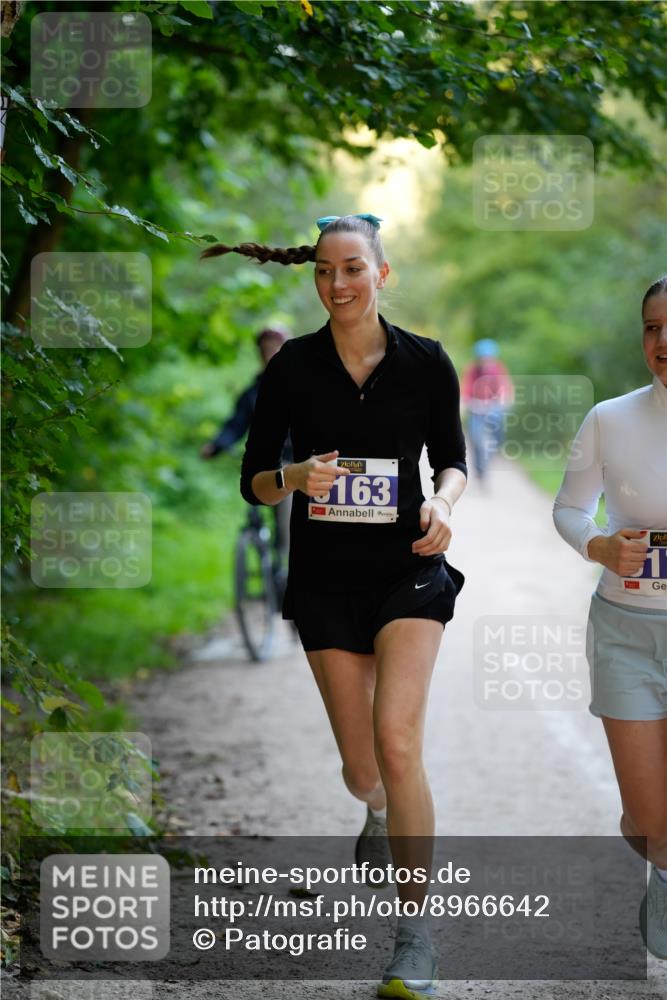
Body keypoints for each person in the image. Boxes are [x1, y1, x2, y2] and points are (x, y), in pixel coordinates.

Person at [201, 213, 467, 999]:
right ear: (312, 277)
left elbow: (451, 460)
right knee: (362, 769)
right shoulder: (291, 371)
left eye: (352, 268)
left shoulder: (426, 362)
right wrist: (293, 479)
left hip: (406, 570)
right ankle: (376, 807)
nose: (337, 284)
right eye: (324, 271)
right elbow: (253, 477)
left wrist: (444, 506)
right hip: (323, 580)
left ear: (381, 274)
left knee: (397, 738)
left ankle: (415, 935)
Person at [553, 276, 667, 960]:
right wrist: (597, 544)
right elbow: (567, 508)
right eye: (651, 327)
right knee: (650, 819)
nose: (662, 341)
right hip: (625, 630)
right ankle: (658, 855)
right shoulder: (609, 417)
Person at [201, 327, 293, 592]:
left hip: (294, 463)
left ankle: (289, 568)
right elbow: (236, 425)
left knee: (287, 512)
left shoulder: (304, 385)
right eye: (265, 348)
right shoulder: (252, 393)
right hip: (263, 464)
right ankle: (277, 566)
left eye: (275, 346)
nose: (270, 353)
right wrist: (216, 446)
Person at [461, 338, 513, 482]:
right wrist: (469, 403)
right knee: (475, 437)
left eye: (489, 358)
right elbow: (465, 391)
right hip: (476, 408)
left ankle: (497, 449)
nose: (486, 361)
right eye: (483, 358)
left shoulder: (498, 369)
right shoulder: (472, 370)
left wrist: (502, 400)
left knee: (498, 426)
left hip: (492, 407)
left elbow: (505, 389)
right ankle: (480, 469)